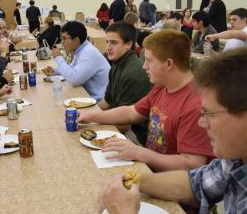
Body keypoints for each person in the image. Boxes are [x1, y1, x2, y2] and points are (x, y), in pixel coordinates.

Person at [100, 46, 247, 214]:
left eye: (209, 114)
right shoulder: (234, 159)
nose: (201, 122)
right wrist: (133, 181)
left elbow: (191, 164)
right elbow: (194, 185)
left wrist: (124, 211)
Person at [78, 29, 214, 172]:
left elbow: (192, 164)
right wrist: (92, 115)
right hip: (149, 166)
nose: (144, 66)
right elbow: (132, 112)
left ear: (169, 64)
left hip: (169, 181)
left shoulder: (196, 104)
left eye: (149, 61)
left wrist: (139, 152)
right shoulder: (162, 87)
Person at [99, 22, 152, 145]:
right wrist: (89, 115)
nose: (108, 47)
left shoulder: (133, 72)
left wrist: (95, 126)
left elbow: (125, 125)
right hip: (121, 124)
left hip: (137, 135)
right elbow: (107, 101)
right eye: (107, 42)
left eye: (114, 42)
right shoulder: (117, 64)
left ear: (128, 44)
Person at [42, 21, 110, 101]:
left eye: (64, 38)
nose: (62, 42)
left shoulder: (89, 53)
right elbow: (72, 69)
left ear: (76, 40)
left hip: (99, 104)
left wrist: (58, 58)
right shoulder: (81, 50)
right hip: (88, 96)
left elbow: (74, 79)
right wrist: (55, 71)